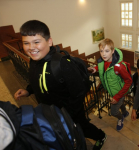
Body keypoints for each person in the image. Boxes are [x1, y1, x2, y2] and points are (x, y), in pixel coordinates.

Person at [14, 20, 106, 150]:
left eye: (36, 42)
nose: (31, 47)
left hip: (69, 113)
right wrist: (28, 90)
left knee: (82, 127)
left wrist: (68, 115)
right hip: (50, 112)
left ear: (49, 41)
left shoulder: (62, 64)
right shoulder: (34, 61)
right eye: (26, 43)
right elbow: (37, 80)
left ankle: (101, 136)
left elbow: (79, 91)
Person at [88, 38, 132, 131]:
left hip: (120, 93)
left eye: (107, 51)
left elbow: (129, 81)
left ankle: (120, 118)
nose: (103, 54)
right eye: (101, 51)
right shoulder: (103, 61)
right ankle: (125, 112)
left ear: (112, 51)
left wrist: (117, 97)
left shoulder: (119, 67)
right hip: (112, 91)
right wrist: (95, 68)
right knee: (121, 104)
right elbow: (102, 66)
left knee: (114, 112)